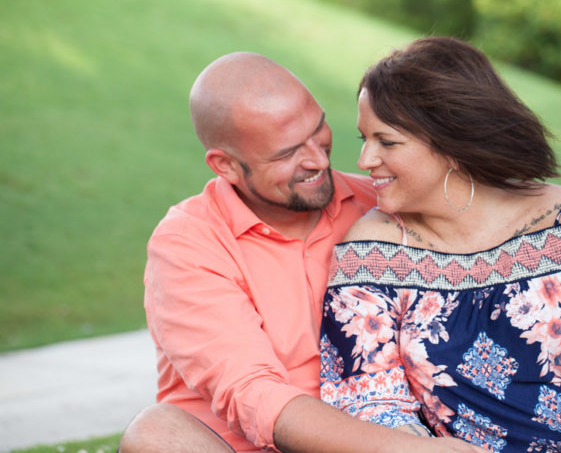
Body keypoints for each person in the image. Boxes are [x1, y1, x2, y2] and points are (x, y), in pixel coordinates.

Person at [319, 37, 561, 452]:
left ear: (451, 145)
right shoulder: (371, 253)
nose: (365, 159)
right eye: (363, 139)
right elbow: (369, 404)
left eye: (386, 141)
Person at [119, 52, 486, 452]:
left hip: (386, 436)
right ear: (225, 166)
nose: (318, 158)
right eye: (286, 153)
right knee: (155, 434)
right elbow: (255, 396)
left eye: (318, 128)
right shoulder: (189, 242)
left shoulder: (382, 207)